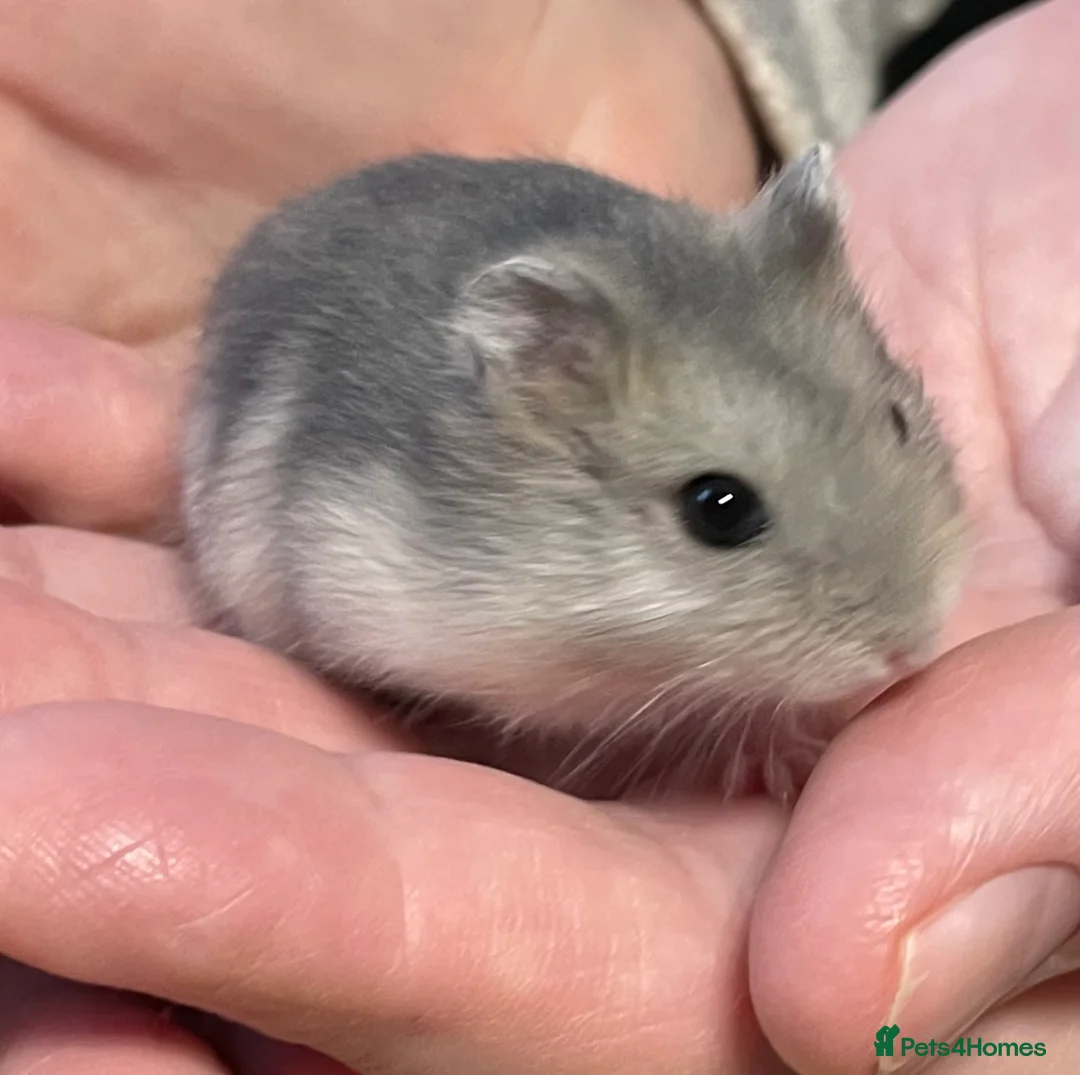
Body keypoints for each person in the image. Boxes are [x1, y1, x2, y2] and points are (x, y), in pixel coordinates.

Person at [0, 1, 1075, 1072]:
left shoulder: (779, 289)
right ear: (537, 372)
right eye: (720, 511)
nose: (906, 618)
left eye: (895, 421)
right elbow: (361, 595)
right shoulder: (445, 520)